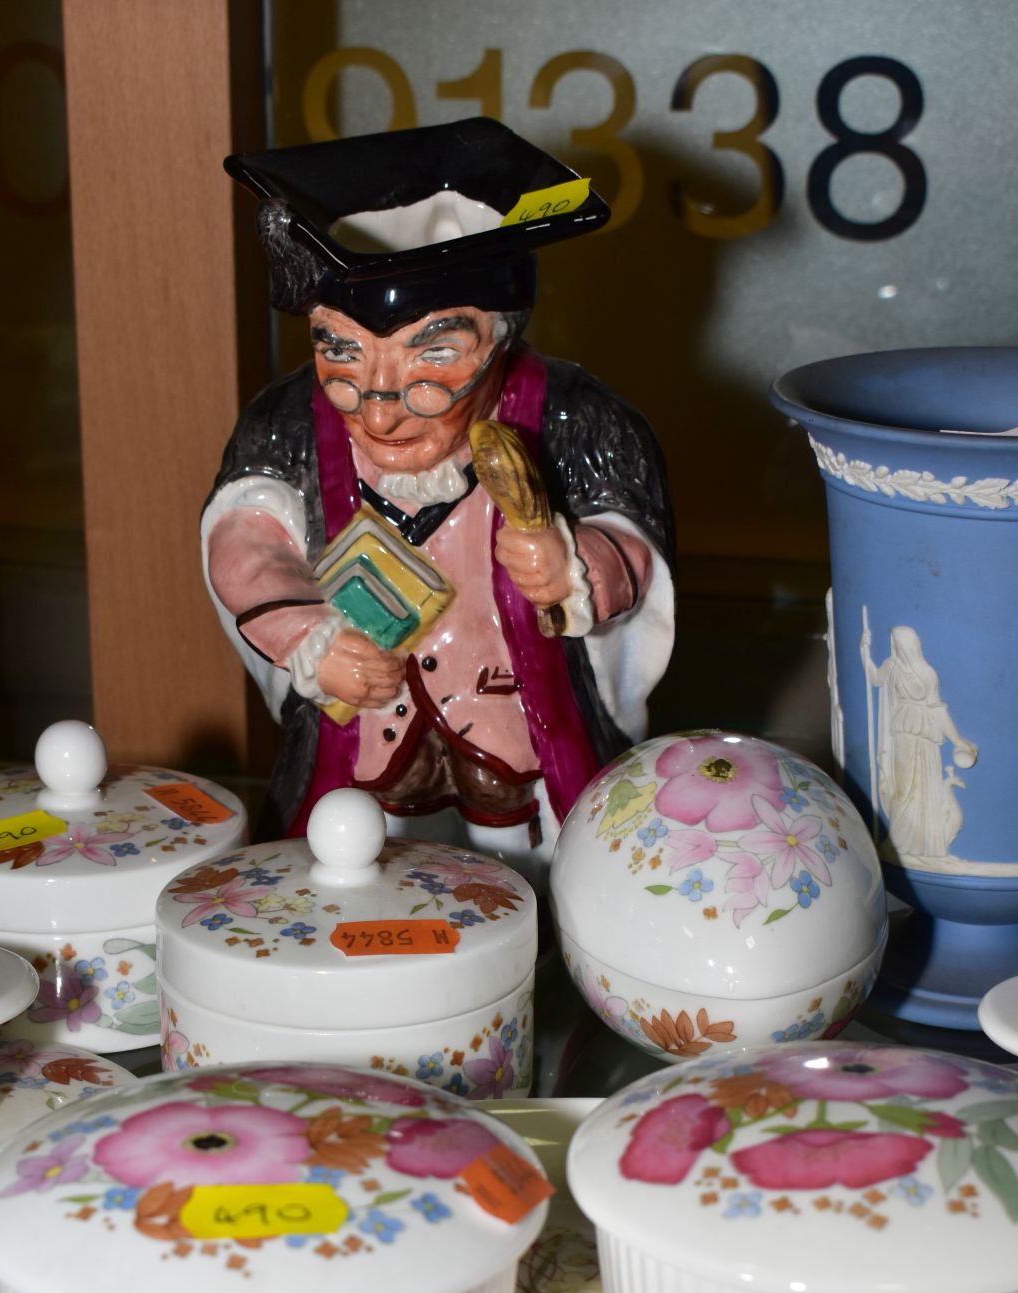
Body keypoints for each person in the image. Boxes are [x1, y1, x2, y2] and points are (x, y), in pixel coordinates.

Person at [202, 120, 675, 866]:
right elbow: (244, 540)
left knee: (513, 851)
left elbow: (632, 535)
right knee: (367, 844)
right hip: (366, 726)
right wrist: (310, 637)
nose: (381, 409)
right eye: (343, 356)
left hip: (510, 716)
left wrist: (578, 565)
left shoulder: (574, 417)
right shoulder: (288, 423)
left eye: (433, 361)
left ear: (499, 336)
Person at [861, 622, 978, 860]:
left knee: (925, 789)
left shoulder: (927, 673)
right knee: (903, 789)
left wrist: (956, 740)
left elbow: (937, 709)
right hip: (904, 734)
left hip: (924, 737)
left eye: (895, 642)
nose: (893, 646)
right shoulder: (891, 666)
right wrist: (864, 651)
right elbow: (874, 679)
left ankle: (923, 846)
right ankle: (899, 842)